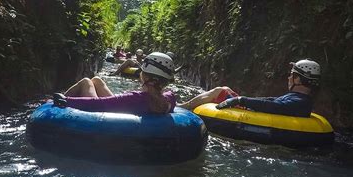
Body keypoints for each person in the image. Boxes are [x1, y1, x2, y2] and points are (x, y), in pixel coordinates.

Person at [177, 59, 321, 118]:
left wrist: (241, 100)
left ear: (298, 79)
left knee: (220, 91)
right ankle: (186, 105)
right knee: (225, 89)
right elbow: (272, 101)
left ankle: (184, 107)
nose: (289, 78)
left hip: (257, 114)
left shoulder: (299, 102)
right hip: (258, 111)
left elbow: (275, 106)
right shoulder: (301, 99)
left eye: (292, 75)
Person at [53, 52, 176, 114]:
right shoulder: (170, 98)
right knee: (96, 80)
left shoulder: (135, 98)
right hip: (124, 111)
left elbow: (97, 104)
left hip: (105, 116)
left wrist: (66, 100)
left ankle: (54, 104)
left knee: (86, 82)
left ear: (143, 75)